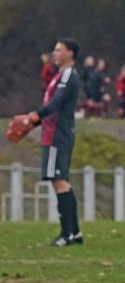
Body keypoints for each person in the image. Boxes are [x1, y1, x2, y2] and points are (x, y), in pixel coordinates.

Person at [30, 38, 83, 246]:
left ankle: (67, 233)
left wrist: (34, 116)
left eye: (58, 50)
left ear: (70, 53)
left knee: (58, 180)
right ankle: (75, 233)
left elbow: (57, 103)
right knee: (62, 181)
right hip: (56, 133)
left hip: (57, 134)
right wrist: (35, 121)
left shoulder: (69, 74)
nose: (54, 53)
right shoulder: (60, 74)